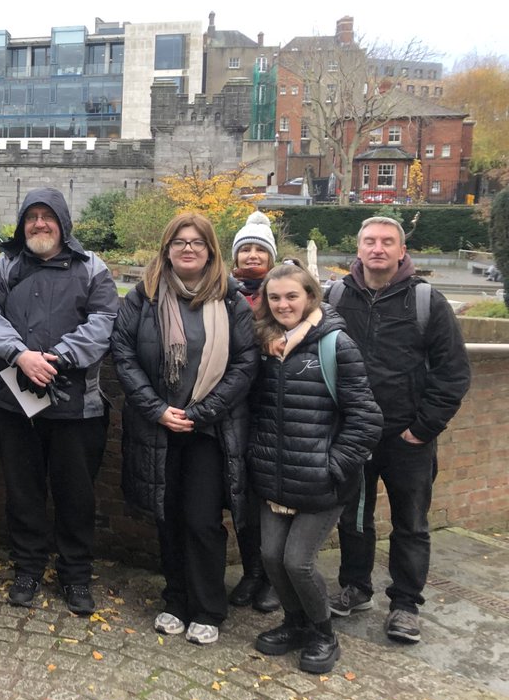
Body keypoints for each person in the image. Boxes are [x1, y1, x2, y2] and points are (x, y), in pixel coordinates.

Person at [111, 212, 258, 645]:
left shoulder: (229, 298)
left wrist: (203, 411)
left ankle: (209, 607)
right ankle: (175, 599)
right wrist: (156, 409)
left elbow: (245, 362)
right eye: (179, 241)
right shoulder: (144, 297)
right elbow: (123, 355)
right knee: (168, 516)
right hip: (158, 428)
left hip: (209, 431)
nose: (188, 248)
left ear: (211, 249)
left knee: (201, 520)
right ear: (167, 249)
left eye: (196, 242)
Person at [0, 188, 117, 615]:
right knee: (23, 492)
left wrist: (60, 357)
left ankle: (75, 576)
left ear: (63, 222)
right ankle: (28, 569)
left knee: (76, 495)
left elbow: (105, 319)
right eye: (31, 216)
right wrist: (20, 354)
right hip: (16, 404)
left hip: (77, 406)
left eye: (47, 216)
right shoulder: (6, 265)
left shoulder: (93, 269)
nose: (39, 224)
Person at [327, 216, 471, 644]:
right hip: (354, 434)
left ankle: (406, 605)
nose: (378, 248)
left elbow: (453, 373)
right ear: (358, 249)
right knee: (354, 518)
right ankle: (356, 587)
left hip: (408, 438)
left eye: (388, 242)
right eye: (370, 241)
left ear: (401, 251)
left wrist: (423, 429)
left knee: (410, 522)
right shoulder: (335, 297)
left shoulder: (428, 302)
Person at [248, 264, 382, 673]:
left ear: (310, 297)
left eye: (292, 296)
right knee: (271, 556)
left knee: (298, 561)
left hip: (322, 482)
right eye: (275, 298)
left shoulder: (335, 344)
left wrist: (333, 465)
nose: (283, 304)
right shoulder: (264, 345)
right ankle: (295, 624)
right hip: (276, 476)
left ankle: (324, 633)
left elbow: (366, 417)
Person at [227, 210, 281, 614]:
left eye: (259, 250)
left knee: (272, 497)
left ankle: (273, 578)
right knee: (243, 496)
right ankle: (251, 572)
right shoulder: (224, 292)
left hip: (275, 405)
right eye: (244, 249)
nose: (251, 256)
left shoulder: (282, 292)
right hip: (236, 407)